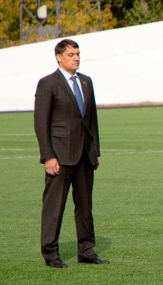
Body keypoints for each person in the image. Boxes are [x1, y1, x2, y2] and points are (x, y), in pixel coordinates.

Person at [34, 39, 108, 268]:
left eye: (78, 54)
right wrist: (48, 156)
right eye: (71, 54)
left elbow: (91, 120)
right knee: (54, 207)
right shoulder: (48, 83)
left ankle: (86, 250)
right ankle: (51, 254)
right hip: (60, 156)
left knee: (85, 207)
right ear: (58, 57)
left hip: (85, 156)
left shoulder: (86, 82)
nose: (76, 58)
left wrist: (94, 153)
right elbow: (40, 123)